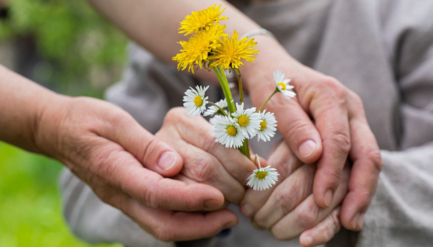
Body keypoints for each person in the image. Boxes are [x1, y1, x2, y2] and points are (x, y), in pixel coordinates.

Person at [61, 0, 433, 246]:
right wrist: (161, 176)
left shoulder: (406, 14)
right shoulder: (168, 40)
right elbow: (79, 188)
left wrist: (358, 196)